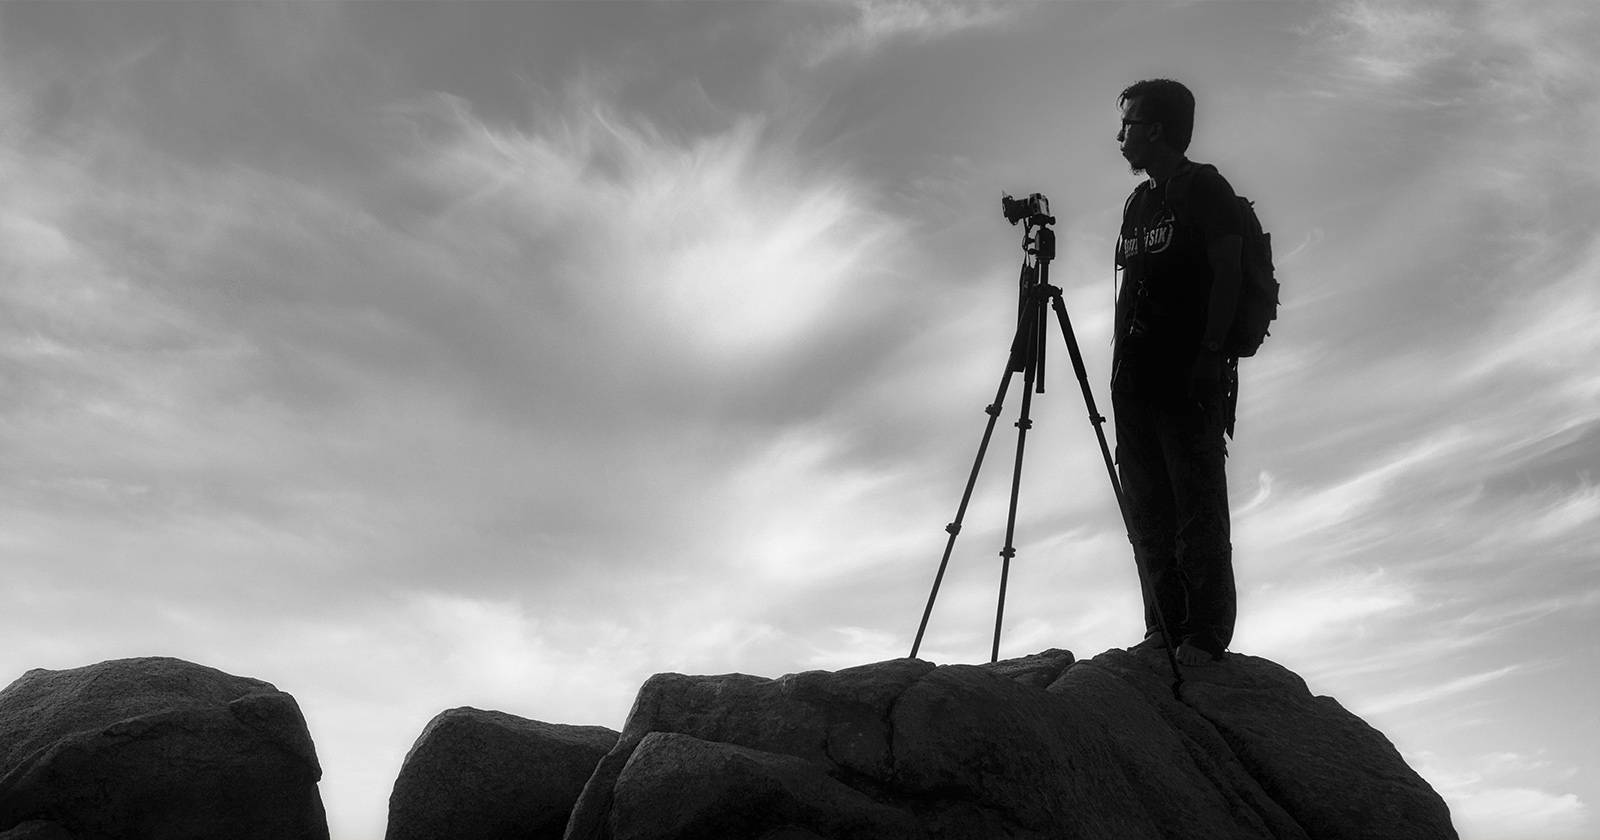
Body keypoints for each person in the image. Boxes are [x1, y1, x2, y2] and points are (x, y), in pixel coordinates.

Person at [1112, 78, 1243, 666]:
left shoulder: (1204, 188)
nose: (1121, 136)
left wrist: (1211, 356)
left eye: (1130, 124)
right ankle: (1161, 626)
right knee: (1146, 511)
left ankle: (1205, 633)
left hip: (1189, 374)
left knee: (1196, 508)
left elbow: (1230, 273)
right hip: (1137, 381)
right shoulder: (1138, 204)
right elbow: (1128, 291)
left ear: (1158, 129)